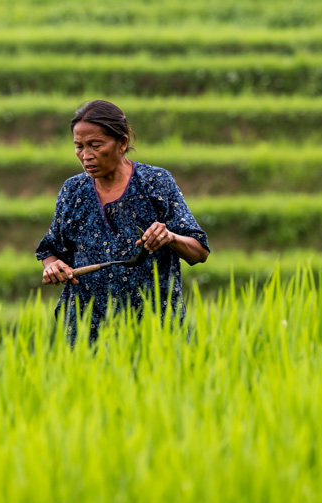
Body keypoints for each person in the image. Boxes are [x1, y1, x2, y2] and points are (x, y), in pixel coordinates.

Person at [36, 100, 210, 341]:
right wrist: (53, 266)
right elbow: (51, 249)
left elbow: (199, 251)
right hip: (88, 328)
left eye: (95, 145)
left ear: (122, 143)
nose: (86, 156)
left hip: (154, 327)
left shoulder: (155, 182)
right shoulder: (73, 190)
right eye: (79, 146)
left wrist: (169, 237)